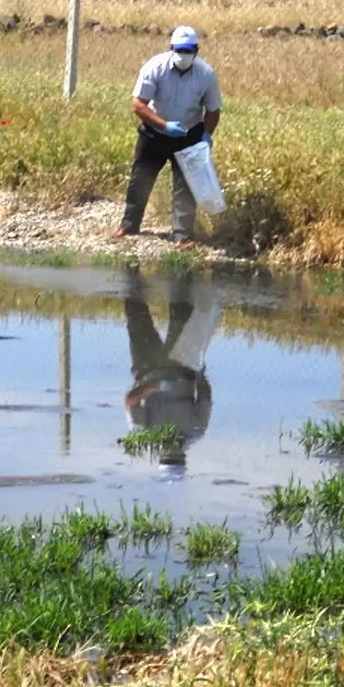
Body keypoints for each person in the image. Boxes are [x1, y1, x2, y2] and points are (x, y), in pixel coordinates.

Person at [111, 25, 222, 250]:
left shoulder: (206, 75)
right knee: (140, 179)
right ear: (172, 48)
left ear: (196, 51)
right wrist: (163, 125)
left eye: (189, 50)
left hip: (189, 134)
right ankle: (129, 226)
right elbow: (138, 104)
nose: (184, 55)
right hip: (155, 132)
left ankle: (181, 235)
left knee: (185, 186)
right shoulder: (155, 67)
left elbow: (213, 110)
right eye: (180, 50)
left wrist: (206, 136)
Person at [122, 269, 217, 478]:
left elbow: (130, 402)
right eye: (176, 458)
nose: (172, 452)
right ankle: (180, 272)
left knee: (136, 316)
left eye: (168, 458)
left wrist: (153, 387)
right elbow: (205, 396)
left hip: (147, 370)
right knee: (181, 314)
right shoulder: (195, 430)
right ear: (184, 457)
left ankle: (131, 271)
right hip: (181, 366)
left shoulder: (145, 432)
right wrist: (198, 372)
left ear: (160, 457)